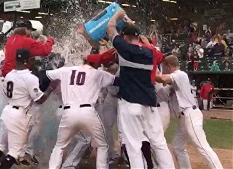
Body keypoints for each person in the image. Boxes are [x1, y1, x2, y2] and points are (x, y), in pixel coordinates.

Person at [106, 9, 175, 169]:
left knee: (133, 146)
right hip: (150, 104)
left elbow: (110, 28)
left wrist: (117, 15)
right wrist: (130, 22)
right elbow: (146, 43)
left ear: (124, 36)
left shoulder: (124, 50)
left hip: (130, 104)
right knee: (159, 144)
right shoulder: (152, 52)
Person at [44, 53, 117, 169]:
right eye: (98, 63)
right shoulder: (98, 73)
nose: (99, 65)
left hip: (68, 112)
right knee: (102, 145)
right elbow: (117, 81)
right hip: (88, 111)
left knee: (60, 146)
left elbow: (45, 75)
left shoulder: (66, 70)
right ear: (95, 63)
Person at [0, 48, 56, 169]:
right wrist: (50, 88)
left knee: (0, 145)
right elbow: (39, 99)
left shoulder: (9, 75)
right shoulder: (30, 78)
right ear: (27, 61)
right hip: (19, 115)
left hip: (7, 111)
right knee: (15, 152)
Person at [156, 55, 223, 169]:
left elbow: (163, 79)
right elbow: (161, 92)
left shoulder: (180, 75)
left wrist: (152, 73)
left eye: (164, 67)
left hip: (191, 115)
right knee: (177, 146)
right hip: (184, 118)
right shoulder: (173, 84)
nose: (164, 69)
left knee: (202, 146)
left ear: (169, 66)